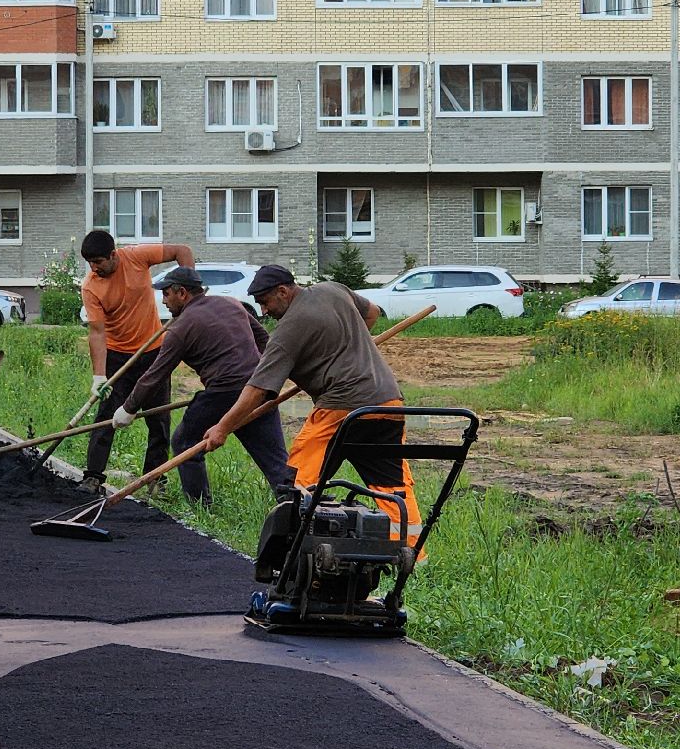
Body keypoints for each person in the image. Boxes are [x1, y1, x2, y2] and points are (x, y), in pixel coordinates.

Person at [200, 266, 423, 548]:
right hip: (390, 403)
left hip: (343, 408)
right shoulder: (333, 289)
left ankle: (294, 548)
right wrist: (344, 347)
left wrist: (222, 428)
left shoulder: (288, 330)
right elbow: (372, 313)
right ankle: (408, 549)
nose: (264, 311)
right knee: (391, 482)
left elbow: (258, 390)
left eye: (265, 302)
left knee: (299, 483)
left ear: (283, 291)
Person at [109, 267, 293, 507]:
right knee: (275, 459)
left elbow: (155, 375)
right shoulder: (232, 304)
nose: (163, 301)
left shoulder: (181, 328)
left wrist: (128, 408)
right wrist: (266, 376)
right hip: (258, 390)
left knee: (186, 443)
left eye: (166, 294)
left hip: (223, 393)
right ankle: (295, 507)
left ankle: (199, 508)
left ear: (182, 293)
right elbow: (264, 341)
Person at [78, 230, 194, 492]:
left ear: (112, 254)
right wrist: (99, 376)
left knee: (159, 419)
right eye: (90, 264)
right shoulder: (91, 286)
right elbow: (97, 333)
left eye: (98, 262)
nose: (94, 268)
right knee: (106, 416)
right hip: (117, 356)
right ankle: (93, 477)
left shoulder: (137, 256)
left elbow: (182, 251)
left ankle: (154, 479)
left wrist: (191, 289)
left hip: (153, 352)